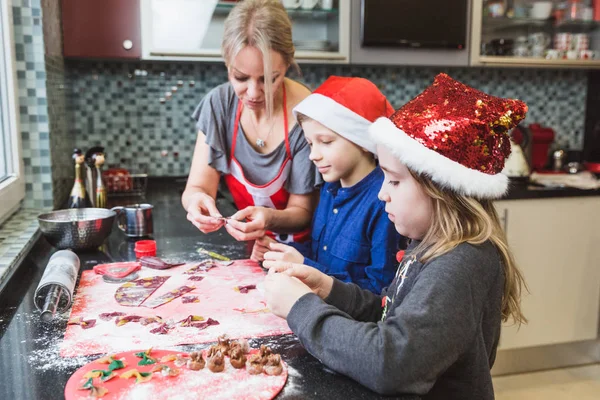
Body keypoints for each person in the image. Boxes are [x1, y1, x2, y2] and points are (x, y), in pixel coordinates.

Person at [262, 73, 529, 399]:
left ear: (440, 189)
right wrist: (329, 289)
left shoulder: (458, 264)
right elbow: (392, 314)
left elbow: (390, 363)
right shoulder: (427, 245)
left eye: (394, 181)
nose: (381, 194)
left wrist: (300, 307)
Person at [182, 0, 319, 244]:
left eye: (268, 79)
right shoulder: (219, 106)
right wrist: (196, 203)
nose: (254, 93)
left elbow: (302, 213)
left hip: (300, 254)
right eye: (241, 77)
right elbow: (198, 187)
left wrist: (267, 218)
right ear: (227, 64)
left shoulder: (306, 114)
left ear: (287, 64)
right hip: (250, 248)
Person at [254, 76, 404, 294]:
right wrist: (279, 252)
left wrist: (305, 267)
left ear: (362, 140)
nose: (313, 155)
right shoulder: (329, 189)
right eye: (310, 143)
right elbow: (320, 256)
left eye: (325, 142)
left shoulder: (384, 202)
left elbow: (380, 291)